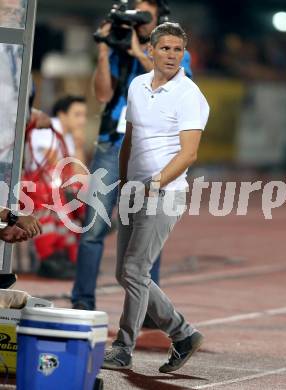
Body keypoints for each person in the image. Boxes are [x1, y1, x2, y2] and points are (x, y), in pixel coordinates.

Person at [71, 0, 193, 322]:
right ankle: (82, 303)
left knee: (146, 229)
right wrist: (103, 49)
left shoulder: (173, 51)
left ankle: (150, 313)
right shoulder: (117, 49)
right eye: (136, 13)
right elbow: (101, 94)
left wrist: (142, 52)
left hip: (153, 149)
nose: (140, 20)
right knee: (94, 226)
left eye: (147, 15)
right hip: (113, 143)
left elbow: (179, 84)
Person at [102, 22, 210, 372]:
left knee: (135, 269)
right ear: (150, 50)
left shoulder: (189, 95)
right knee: (125, 272)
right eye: (165, 48)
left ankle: (123, 346)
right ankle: (183, 334)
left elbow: (189, 153)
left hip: (165, 194)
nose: (171, 55)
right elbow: (129, 140)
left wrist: (155, 181)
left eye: (178, 50)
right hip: (132, 190)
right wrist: (122, 184)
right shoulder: (136, 86)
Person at [24, 96, 87, 279]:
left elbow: (80, 171)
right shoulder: (47, 127)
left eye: (84, 115)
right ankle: (51, 257)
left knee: (78, 190)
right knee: (64, 200)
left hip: (55, 190)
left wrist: (78, 145)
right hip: (34, 188)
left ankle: (63, 255)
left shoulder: (68, 137)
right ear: (62, 115)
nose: (82, 120)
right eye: (77, 115)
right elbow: (52, 162)